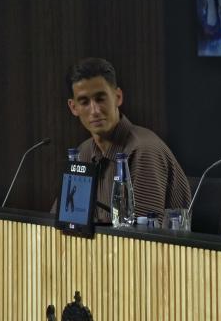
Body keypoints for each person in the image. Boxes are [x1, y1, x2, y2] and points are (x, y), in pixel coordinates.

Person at [65, 57, 191, 222]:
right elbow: (68, 220)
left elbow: (141, 237)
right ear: (73, 107)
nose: (94, 110)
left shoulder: (144, 150)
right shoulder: (83, 153)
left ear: (118, 97)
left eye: (100, 99)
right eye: (84, 102)